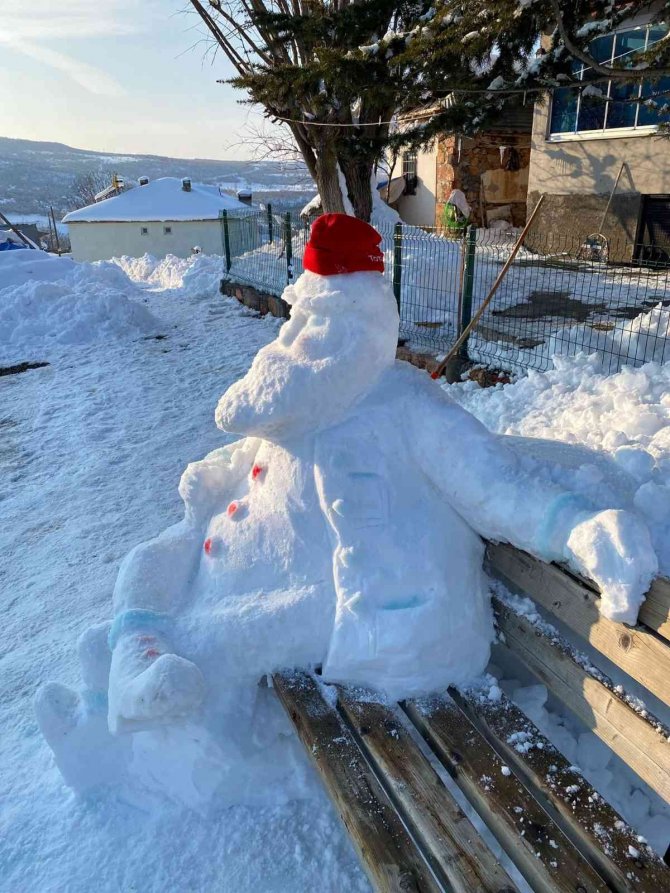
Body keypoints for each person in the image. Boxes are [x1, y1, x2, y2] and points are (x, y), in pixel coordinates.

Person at [36, 213, 657, 803]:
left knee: (217, 635)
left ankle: (116, 746)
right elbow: (257, 446)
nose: (303, 337)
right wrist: (217, 473)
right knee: (147, 566)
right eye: (303, 318)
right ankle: (116, 677)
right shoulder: (302, 395)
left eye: (325, 319)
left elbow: (497, 486)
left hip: (352, 601)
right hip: (254, 567)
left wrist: (578, 525)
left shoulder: (405, 407)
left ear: (367, 321)